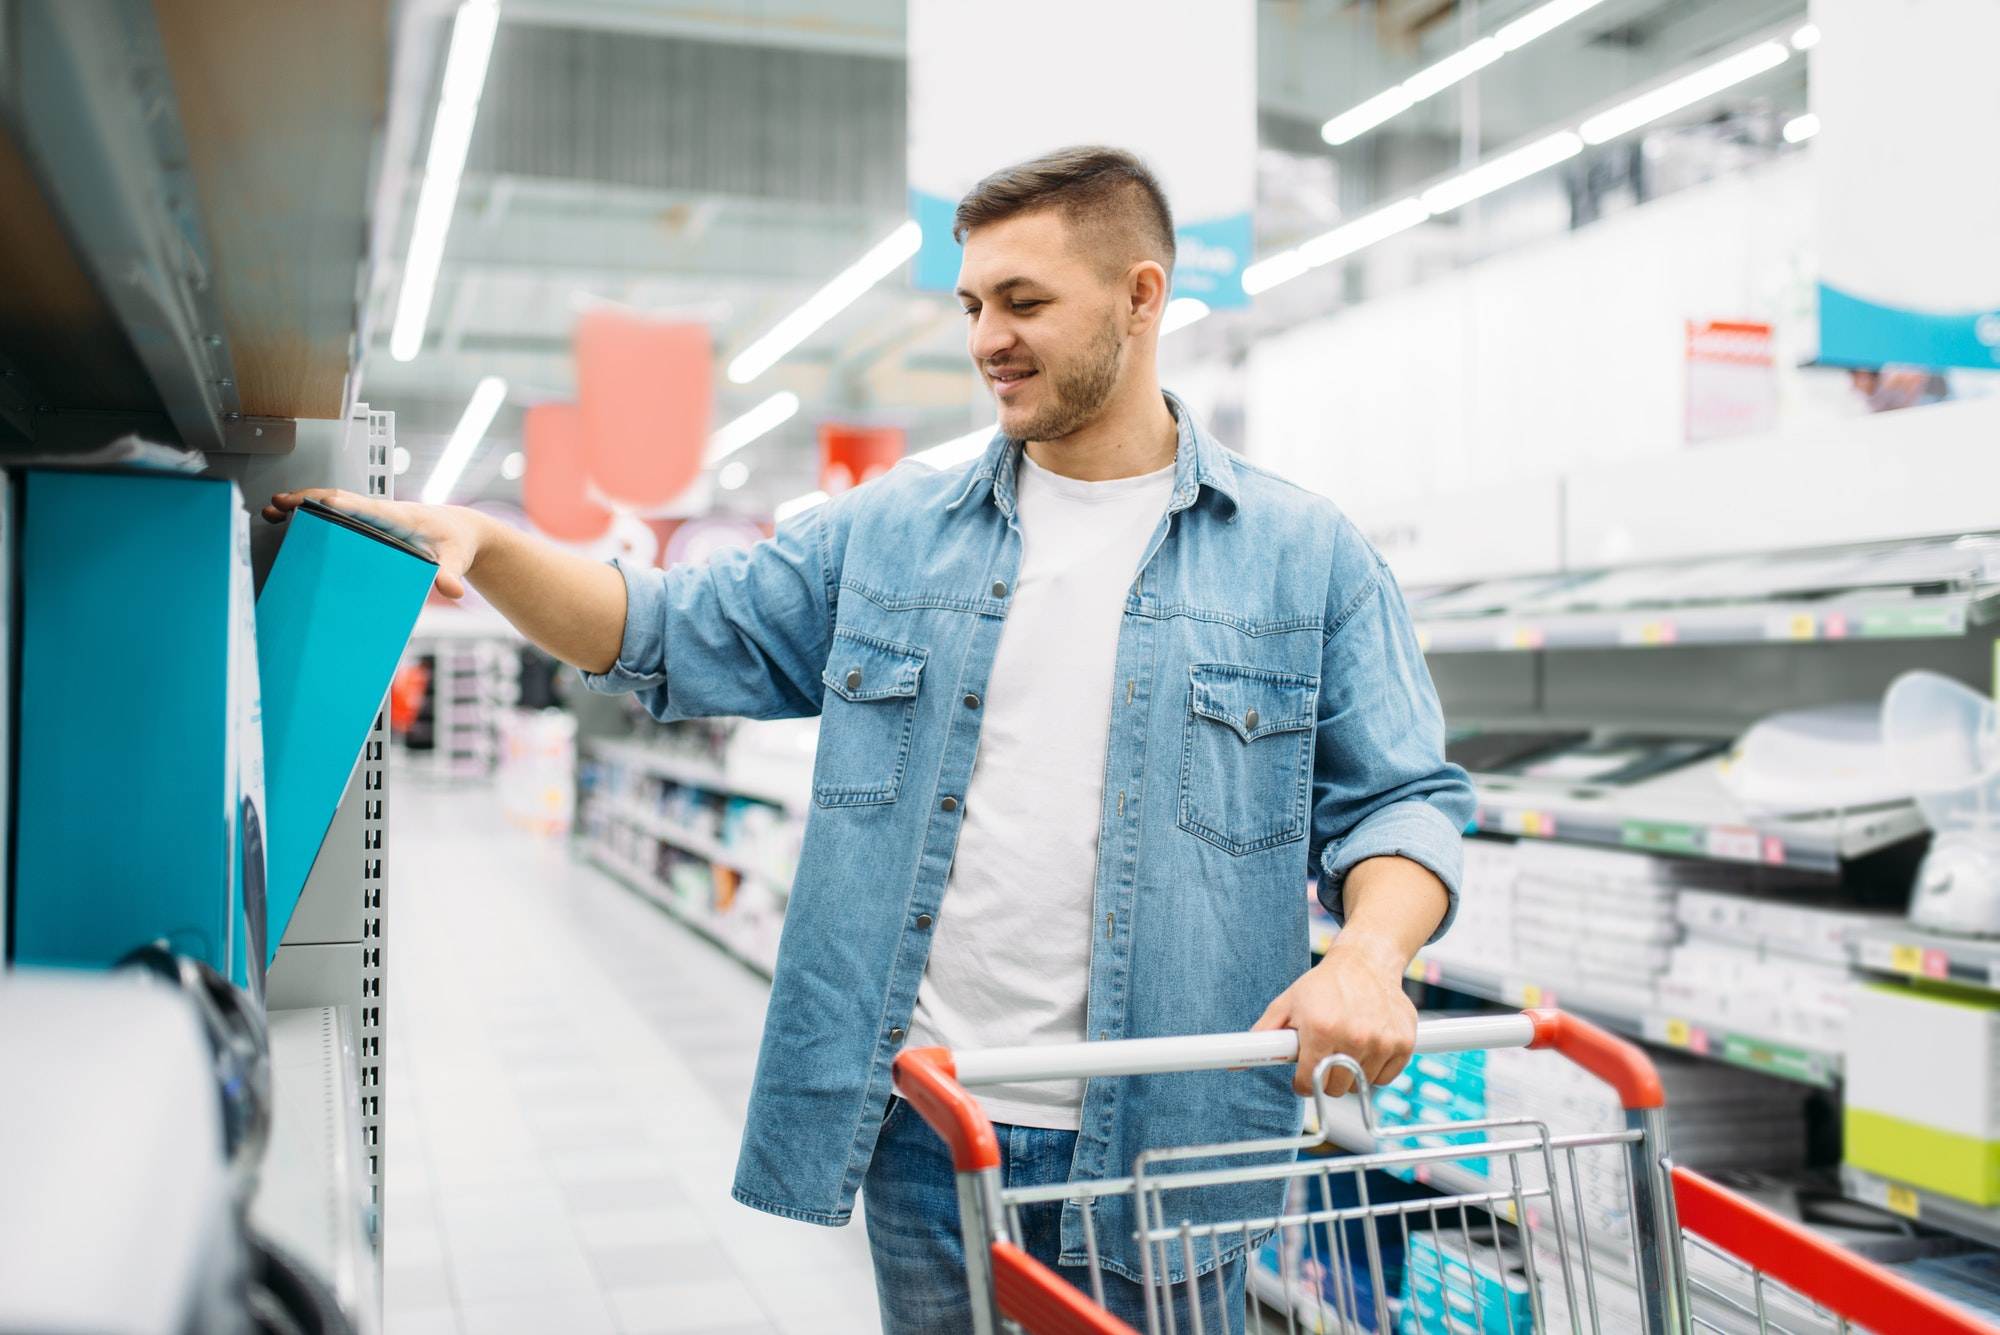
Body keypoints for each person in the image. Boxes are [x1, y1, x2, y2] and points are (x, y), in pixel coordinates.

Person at [265, 146, 1473, 1333]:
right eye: (970, 304)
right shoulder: (891, 534)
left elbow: (1402, 802)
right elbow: (670, 630)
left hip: (1168, 1139)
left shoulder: (1302, 556)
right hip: (931, 1123)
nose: (985, 336)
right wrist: (484, 543)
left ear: (1141, 295)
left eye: (1024, 301)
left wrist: (1367, 956)